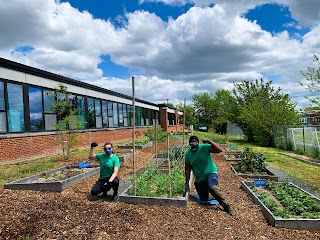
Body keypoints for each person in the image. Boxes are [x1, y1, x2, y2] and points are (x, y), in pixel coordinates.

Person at [184, 135, 235, 216]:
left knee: (211, 187)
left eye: (195, 142)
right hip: (199, 179)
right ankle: (213, 194)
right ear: (189, 144)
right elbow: (187, 169)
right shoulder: (188, 154)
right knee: (203, 198)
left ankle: (226, 206)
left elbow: (219, 150)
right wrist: (186, 183)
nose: (193, 144)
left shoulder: (204, 147)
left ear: (198, 142)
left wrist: (209, 141)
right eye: (191, 142)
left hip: (210, 173)